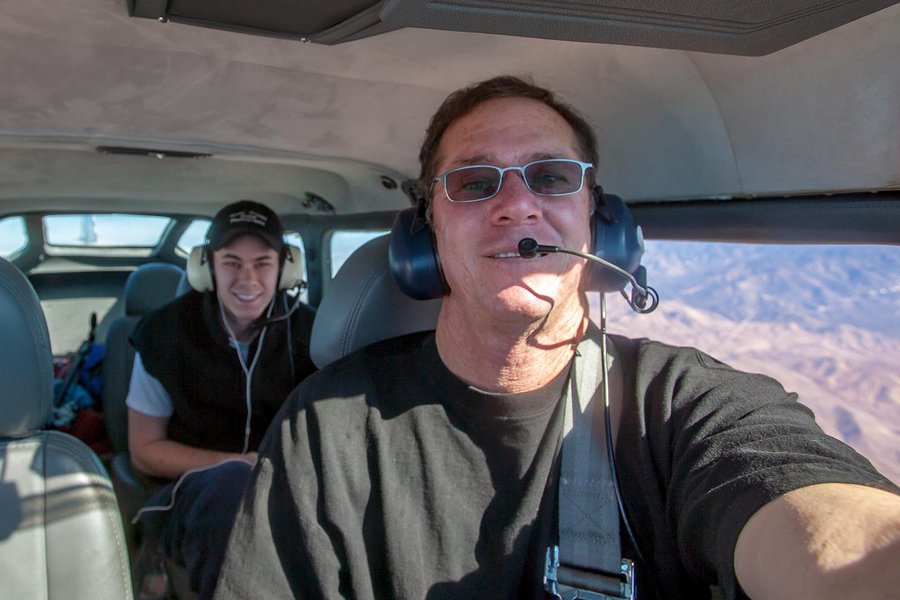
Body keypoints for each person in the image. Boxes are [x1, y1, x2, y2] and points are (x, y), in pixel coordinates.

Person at [213, 78, 900, 599]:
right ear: (424, 237)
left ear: (600, 224)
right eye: (476, 183)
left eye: (550, 177)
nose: (518, 204)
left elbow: (826, 525)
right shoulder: (325, 427)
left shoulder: (682, 408)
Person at [126, 200, 317, 599]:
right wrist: (237, 465)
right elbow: (144, 450)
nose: (247, 279)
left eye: (262, 263)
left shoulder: (314, 336)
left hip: (286, 488)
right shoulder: (163, 334)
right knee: (232, 493)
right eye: (231, 261)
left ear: (286, 268)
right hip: (192, 492)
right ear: (205, 267)